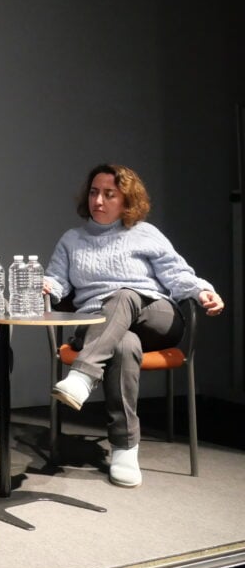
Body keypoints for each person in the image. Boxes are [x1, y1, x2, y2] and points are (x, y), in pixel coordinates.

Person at [45, 163, 224, 488]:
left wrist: (203, 291)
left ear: (127, 200)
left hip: (156, 317)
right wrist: (45, 286)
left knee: (124, 295)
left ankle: (83, 376)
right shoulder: (72, 240)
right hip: (100, 324)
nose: (98, 200)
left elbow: (177, 274)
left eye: (109, 194)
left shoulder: (145, 233)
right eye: (94, 192)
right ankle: (125, 447)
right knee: (124, 345)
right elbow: (57, 281)